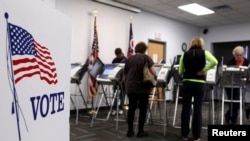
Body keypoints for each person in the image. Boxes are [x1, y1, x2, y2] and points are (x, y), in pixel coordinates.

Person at [178, 37, 218, 141]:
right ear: (202, 44)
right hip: (199, 84)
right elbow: (215, 61)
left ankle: (184, 135)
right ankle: (196, 136)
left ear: (191, 44)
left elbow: (180, 71)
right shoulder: (205, 53)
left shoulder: (185, 54)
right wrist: (204, 70)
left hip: (187, 83)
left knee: (185, 109)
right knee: (197, 109)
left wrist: (186, 71)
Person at [124, 41, 157, 137]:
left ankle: (130, 131)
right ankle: (140, 131)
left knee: (131, 109)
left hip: (131, 87)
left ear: (136, 49)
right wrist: (155, 79)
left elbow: (125, 74)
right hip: (143, 87)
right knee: (142, 109)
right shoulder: (147, 59)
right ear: (145, 50)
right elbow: (153, 72)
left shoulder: (129, 59)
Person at [224, 46, 249, 124]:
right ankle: (229, 117)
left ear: (243, 54)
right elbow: (227, 74)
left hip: (241, 84)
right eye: (237, 55)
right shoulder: (230, 62)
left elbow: (247, 74)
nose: (239, 57)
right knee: (231, 102)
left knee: (237, 103)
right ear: (234, 55)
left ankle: (231, 118)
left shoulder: (246, 62)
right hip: (230, 85)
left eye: (240, 55)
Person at [111, 48, 127, 115]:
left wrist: (124, 77)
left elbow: (127, 70)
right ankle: (114, 109)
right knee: (115, 95)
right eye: (117, 55)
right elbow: (112, 69)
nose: (118, 56)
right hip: (116, 79)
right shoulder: (114, 60)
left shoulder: (126, 60)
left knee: (122, 95)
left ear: (121, 53)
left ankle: (121, 108)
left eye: (119, 55)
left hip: (123, 80)